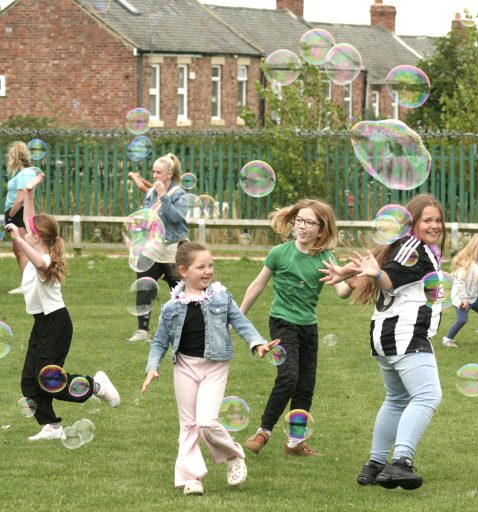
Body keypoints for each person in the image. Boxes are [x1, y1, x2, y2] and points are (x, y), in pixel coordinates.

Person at [323, 193, 445, 491]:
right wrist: (378, 275)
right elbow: (388, 280)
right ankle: (400, 462)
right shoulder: (413, 248)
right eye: (427, 220)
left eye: (438, 219)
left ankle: (375, 464)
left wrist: (350, 275)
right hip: (405, 337)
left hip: (385, 339)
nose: (435, 225)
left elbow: (375, 281)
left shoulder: (399, 248)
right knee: (427, 396)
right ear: (411, 223)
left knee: (397, 400)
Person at [141, 240, 280, 496]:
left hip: (214, 366)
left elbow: (241, 322)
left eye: (211, 265)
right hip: (184, 366)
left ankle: (233, 455)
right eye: (201, 266)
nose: (208, 271)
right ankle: (191, 477)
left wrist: (257, 343)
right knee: (188, 424)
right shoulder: (172, 307)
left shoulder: (221, 297)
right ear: (183, 271)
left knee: (206, 423)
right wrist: (152, 367)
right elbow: (160, 341)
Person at [5, 173, 120, 441]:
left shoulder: (44, 260)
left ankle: (97, 386)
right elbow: (29, 220)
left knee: (51, 382)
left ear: (36, 237)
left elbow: (39, 263)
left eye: (28, 231)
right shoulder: (38, 246)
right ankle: (51, 426)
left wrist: (18, 239)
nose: (24, 229)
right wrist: (29, 193)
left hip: (56, 324)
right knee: (29, 381)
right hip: (42, 323)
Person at [239, 199, 352, 457]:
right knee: (288, 376)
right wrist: (238, 316)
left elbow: (343, 292)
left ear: (321, 230)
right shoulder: (280, 253)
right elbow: (257, 285)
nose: (301, 226)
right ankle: (263, 432)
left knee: (305, 385)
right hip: (282, 322)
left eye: (309, 222)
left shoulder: (326, 259)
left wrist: (354, 277)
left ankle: (295, 443)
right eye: (299, 220)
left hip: (308, 327)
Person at [126, 153, 189, 342]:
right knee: (144, 286)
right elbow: (148, 217)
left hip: (172, 249)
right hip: (152, 247)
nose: (155, 176)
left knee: (179, 290)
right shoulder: (150, 193)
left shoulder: (179, 195)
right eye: (153, 172)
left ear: (169, 174)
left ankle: (185, 328)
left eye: (158, 172)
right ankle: (143, 331)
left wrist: (164, 197)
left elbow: (178, 219)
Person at [4, 141, 40, 294]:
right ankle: (26, 283)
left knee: (23, 249)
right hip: (16, 213)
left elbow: (20, 198)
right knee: (18, 248)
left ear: (15, 157)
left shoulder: (25, 173)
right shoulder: (24, 173)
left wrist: (11, 214)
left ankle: (27, 285)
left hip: (18, 213)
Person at [442, 233, 478, 348]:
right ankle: (447, 340)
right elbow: (460, 283)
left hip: (475, 298)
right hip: (462, 299)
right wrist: (464, 299)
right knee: (462, 320)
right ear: (476, 248)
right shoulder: (466, 264)